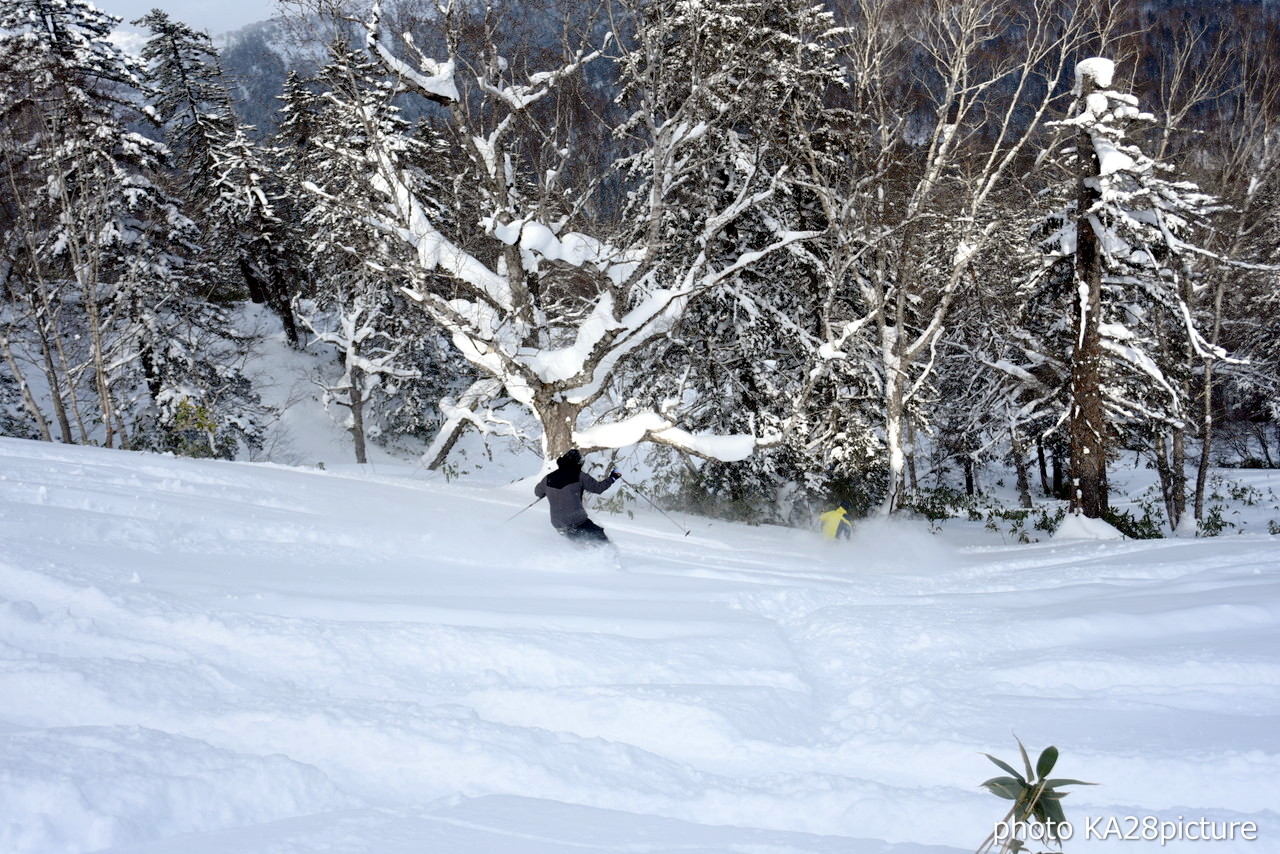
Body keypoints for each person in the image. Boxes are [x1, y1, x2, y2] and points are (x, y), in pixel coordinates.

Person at [534, 448, 622, 544]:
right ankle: (607, 556)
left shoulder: (548, 478)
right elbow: (598, 488)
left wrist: (546, 492)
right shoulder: (579, 475)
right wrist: (613, 478)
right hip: (576, 521)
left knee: (578, 545)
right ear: (578, 462)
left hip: (558, 523)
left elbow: (537, 492)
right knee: (601, 540)